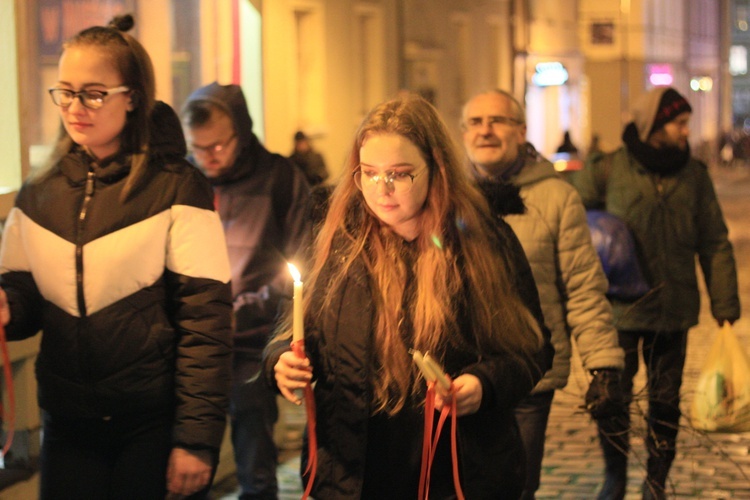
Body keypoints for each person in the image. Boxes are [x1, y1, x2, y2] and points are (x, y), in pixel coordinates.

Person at [263, 95, 554, 499]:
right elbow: (293, 328)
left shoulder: (481, 242)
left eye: (399, 174)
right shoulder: (334, 242)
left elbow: (532, 351)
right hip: (353, 471)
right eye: (368, 173)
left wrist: (482, 384)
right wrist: (281, 361)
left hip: (455, 470)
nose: (381, 190)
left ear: (435, 168)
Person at [0, 15, 232, 499]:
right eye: (64, 91)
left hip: (149, 424)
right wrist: (7, 306)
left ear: (132, 97)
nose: (75, 107)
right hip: (66, 423)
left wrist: (196, 440)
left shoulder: (176, 187)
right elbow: (24, 300)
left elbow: (205, 324)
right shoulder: (38, 193)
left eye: (94, 93)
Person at [572, 86, 741, 500]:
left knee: (665, 404)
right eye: (679, 122)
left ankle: (656, 481)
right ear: (653, 124)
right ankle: (614, 475)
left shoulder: (694, 176)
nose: (686, 131)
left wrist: (725, 303)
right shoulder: (609, 168)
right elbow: (574, 218)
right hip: (619, 310)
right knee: (613, 399)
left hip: (673, 309)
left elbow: (715, 241)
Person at [461, 89, 625, 499]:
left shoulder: (556, 197)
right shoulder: (446, 196)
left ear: (520, 131)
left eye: (496, 121)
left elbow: (583, 285)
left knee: (516, 486)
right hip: (459, 368)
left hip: (528, 374)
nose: (485, 131)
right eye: (475, 122)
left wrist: (603, 363)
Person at [182, 82, 311, 500]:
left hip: (253, 344)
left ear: (242, 130)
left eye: (217, 145)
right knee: (186, 461)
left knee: (255, 460)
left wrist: (248, 308)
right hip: (193, 345)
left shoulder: (280, 178)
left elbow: (298, 259)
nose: (208, 157)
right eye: (198, 148)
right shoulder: (186, 179)